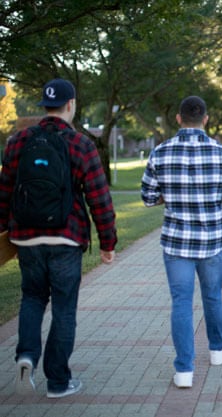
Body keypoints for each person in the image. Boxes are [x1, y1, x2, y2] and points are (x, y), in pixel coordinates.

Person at [0, 78, 117, 397]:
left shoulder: (18, 141)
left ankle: (25, 356)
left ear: (44, 106)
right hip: (67, 238)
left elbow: (4, 192)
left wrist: (2, 232)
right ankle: (58, 382)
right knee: (64, 308)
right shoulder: (80, 144)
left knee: (32, 297)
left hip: (26, 238)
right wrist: (108, 244)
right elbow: (99, 199)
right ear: (71, 105)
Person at [141, 95, 222, 389]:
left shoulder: (159, 153)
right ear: (206, 119)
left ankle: (184, 369)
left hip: (176, 244)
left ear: (178, 118)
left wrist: (169, 197)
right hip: (212, 241)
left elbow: (147, 198)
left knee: (181, 303)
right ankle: (217, 349)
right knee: (213, 296)